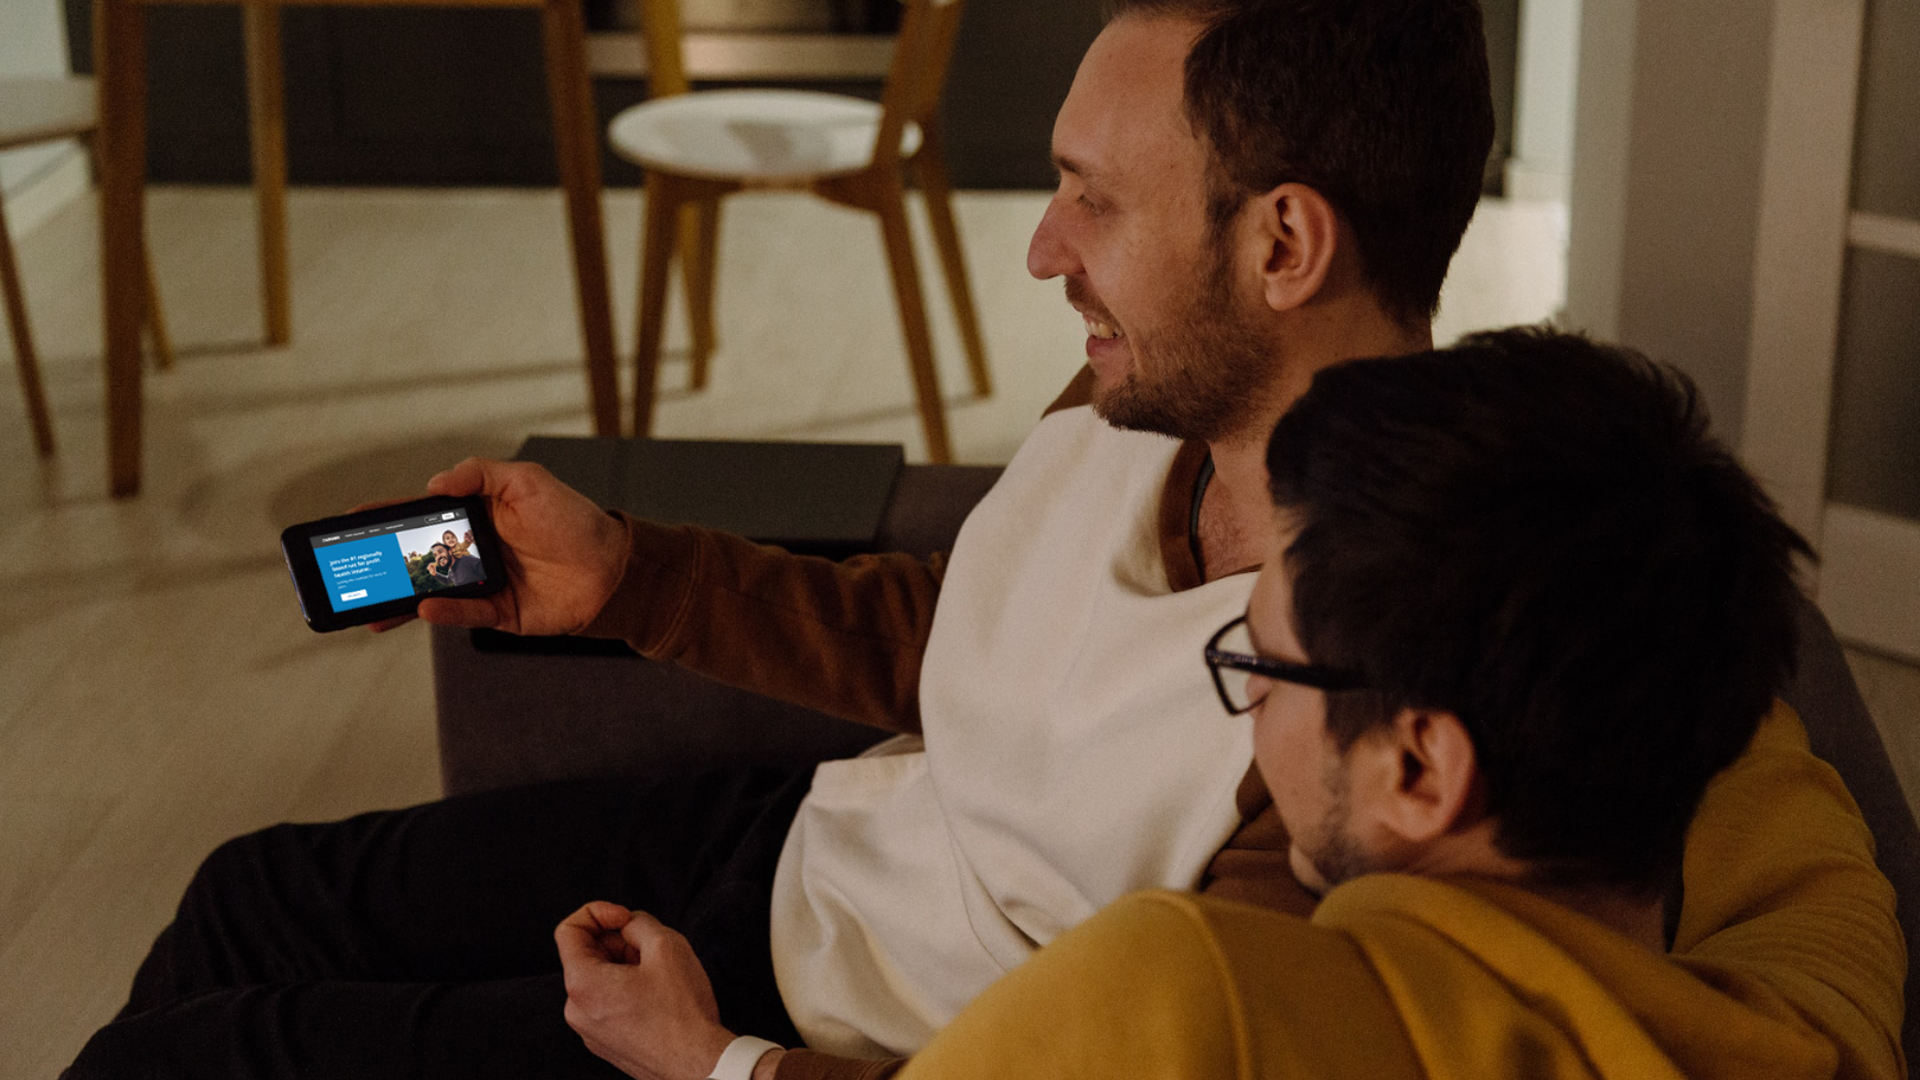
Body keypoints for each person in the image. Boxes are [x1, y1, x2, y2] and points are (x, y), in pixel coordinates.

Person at [67, 2, 1901, 1079]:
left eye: (1095, 199)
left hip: (833, 1021)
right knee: (248, 892)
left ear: (1283, 243)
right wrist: (632, 581)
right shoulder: (1134, 408)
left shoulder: (1388, 687)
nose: (1041, 248)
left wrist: (727, 1064)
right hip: (826, 838)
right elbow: (965, 633)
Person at [891, 328, 1904, 1080]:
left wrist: (730, 1063)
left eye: (1266, 660)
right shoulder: (1823, 1009)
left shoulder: (1190, 997)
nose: (1247, 697)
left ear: (1419, 771)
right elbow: (1747, 735)